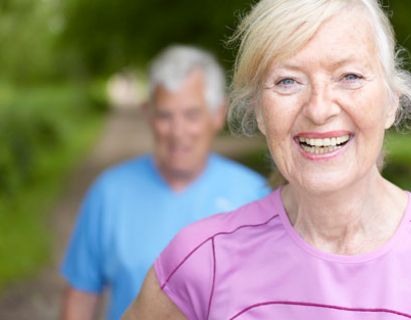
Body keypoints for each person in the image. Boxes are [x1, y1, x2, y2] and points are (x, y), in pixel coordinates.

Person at [124, 1, 411, 319]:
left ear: (391, 102)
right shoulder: (201, 263)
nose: (319, 108)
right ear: (258, 110)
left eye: (349, 76)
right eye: (288, 81)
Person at [61, 45, 270, 320]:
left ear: (218, 114)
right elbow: (80, 296)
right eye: (165, 115)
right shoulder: (109, 193)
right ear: (148, 114)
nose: (177, 132)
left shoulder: (256, 195)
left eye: (191, 115)